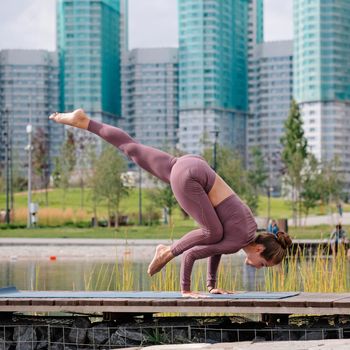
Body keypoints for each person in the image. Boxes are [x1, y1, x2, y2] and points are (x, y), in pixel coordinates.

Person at [49, 109, 292, 298]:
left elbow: (217, 249)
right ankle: (166, 251)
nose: (260, 268)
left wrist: (211, 286)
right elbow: (194, 255)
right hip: (192, 178)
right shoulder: (239, 240)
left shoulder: (247, 230)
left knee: (131, 148)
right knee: (211, 231)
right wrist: (185, 290)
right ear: (259, 250)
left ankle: (84, 122)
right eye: (265, 265)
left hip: (191, 165)